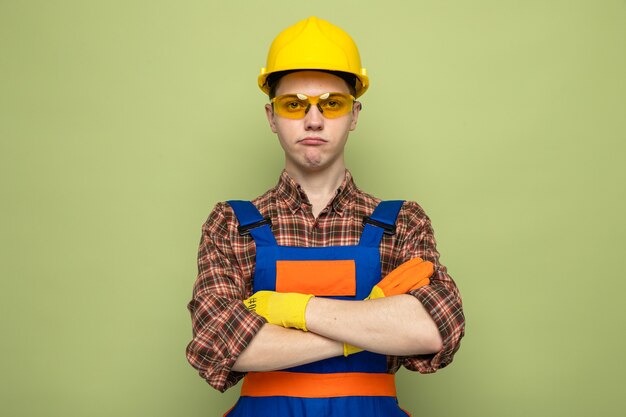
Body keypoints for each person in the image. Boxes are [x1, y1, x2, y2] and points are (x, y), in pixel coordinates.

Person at [186, 16, 465, 417]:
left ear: (354, 115)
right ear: (271, 117)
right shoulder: (230, 224)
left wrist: (294, 311)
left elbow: (436, 327)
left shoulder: (402, 222)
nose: (313, 119)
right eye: (293, 104)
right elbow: (218, 342)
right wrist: (371, 326)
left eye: (332, 104)